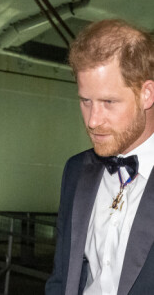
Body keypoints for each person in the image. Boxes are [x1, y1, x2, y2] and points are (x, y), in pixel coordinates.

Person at [45, 19, 154, 295]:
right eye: (85, 101)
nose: (93, 121)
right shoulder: (76, 169)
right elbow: (61, 276)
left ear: (147, 94)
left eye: (109, 102)